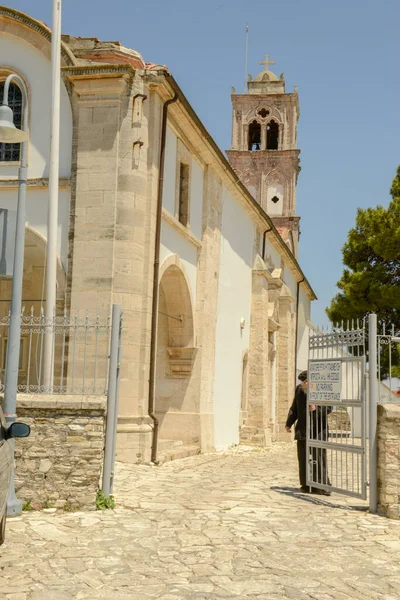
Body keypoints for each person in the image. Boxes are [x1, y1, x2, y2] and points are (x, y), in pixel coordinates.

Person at [285, 370, 331, 495]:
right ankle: (306, 485)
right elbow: (294, 408)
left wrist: (316, 408)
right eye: (303, 382)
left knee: (319, 458)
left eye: (306, 381)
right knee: (303, 458)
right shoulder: (299, 390)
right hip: (303, 430)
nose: (304, 384)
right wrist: (289, 423)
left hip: (318, 431)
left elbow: (329, 408)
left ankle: (322, 486)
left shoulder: (322, 390)